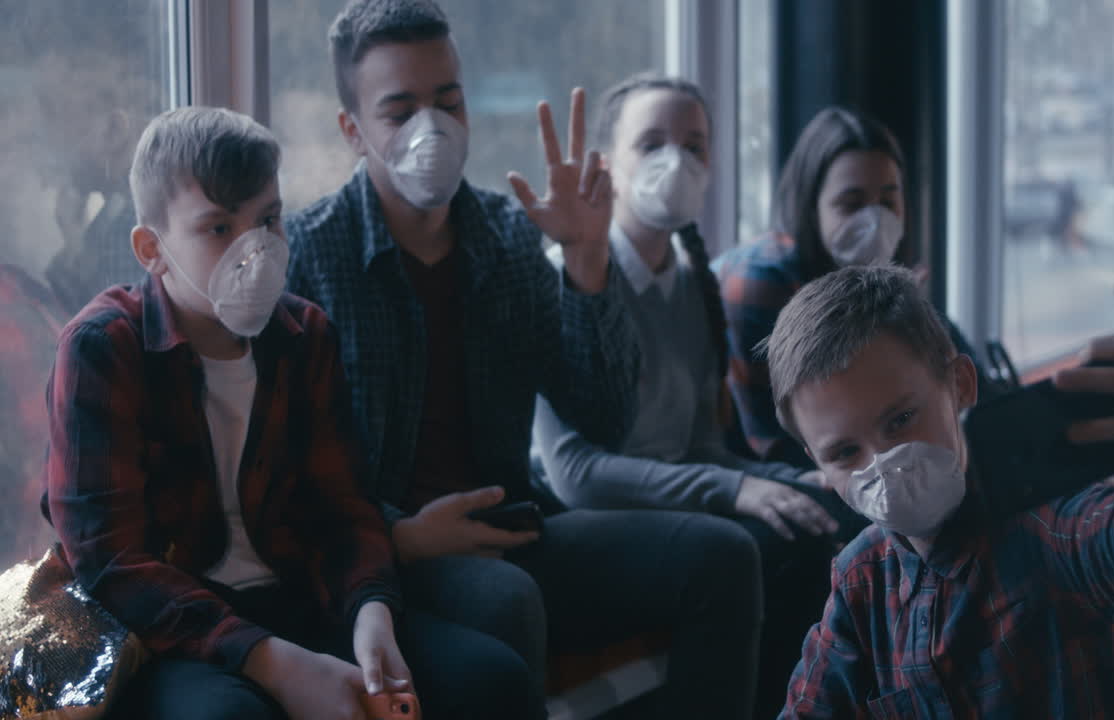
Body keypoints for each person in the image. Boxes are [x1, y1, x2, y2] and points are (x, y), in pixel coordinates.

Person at [285, 2, 763, 717]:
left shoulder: (508, 235)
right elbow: (290, 467)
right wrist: (400, 536)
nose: (433, 129)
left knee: (725, 557)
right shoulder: (310, 255)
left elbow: (600, 412)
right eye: (400, 110)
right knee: (508, 600)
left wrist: (588, 261)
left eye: (449, 102)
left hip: (516, 526)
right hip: (389, 557)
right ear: (353, 130)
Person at [43, 106, 530, 720]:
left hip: (298, 601)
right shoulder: (103, 348)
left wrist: (370, 613)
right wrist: (272, 660)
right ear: (152, 249)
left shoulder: (303, 335)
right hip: (173, 633)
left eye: (267, 219)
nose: (256, 249)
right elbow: (109, 561)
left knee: (494, 680)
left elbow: (343, 508)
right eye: (219, 229)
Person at [764, 265, 1114, 718]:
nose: (884, 465)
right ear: (817, 462)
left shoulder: (1048, 525)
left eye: (901, 419)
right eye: (846, 452)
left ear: (960, 386)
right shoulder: (860, 580)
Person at [531, 72, 864, 719]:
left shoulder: (692, 283)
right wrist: (735, 489)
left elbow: (701, 449)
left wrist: (791, 477)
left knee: (837, 512)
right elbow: (574, 472)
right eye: (651, 143)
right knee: (760, 547)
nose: (675, 161)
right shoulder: (560, 278)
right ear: (606, 166)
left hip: (677, 501)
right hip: (586, 516)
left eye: (694, 145)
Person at [715, 107, 996, 468]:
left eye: (888, 201)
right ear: (810, 207)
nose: (875, 219)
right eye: (851, 204)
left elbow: (972, 394)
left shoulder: (876, 275)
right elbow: (770, 440)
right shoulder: (762, 282)